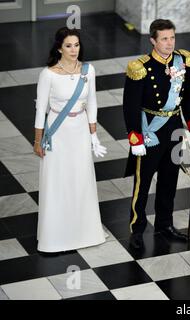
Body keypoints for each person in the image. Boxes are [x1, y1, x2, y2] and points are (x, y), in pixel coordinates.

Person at [123, 19, 190, 249]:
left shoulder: (182, 61)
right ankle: (137, 229)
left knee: (169, 180)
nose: (169, 43)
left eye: (172, 38)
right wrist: (135, 137)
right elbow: (130, 106)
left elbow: (189, 97)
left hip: (175, 128)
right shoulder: (141, 68)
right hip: (151, 131)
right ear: (153, 41)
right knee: (143, 183)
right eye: (164, 39)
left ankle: (164, 225)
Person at [33, 27, 107, 253]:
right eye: (68, 46)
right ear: (59, 48)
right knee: (59, 182)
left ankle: (85, 233)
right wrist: (37, 141)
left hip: (80, 131)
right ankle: (55, 237)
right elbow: (40, 110)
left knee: (81, 179)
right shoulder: (48, 74)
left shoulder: (88, 70)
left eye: (76, 45)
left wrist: (93, 134)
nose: (73, 50)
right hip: (58, 133)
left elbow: (92, 101)